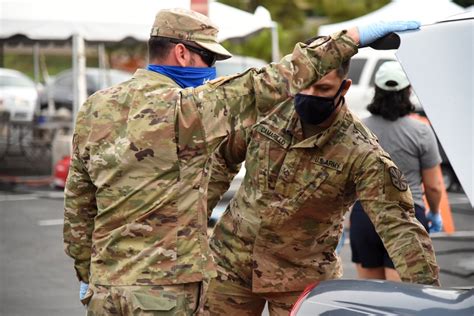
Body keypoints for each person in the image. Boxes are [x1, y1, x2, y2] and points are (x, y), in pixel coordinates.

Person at [62, 6, 419, 313]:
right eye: (210, 58)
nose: (211, 70)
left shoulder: (97, 105)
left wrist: (85, 272)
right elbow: (266, 84)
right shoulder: (188, 109)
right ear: (183, 55)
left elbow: (78, 204)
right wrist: (351, 36)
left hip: (106, 290)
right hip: (168, 291)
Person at [204, 41, 440, 315]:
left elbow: (399, 227)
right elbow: (220, 163)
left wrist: (431, 300)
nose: (310, 94)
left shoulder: (361, 151)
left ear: (344, 88)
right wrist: (193, 227)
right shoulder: (269, 113)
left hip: (301, 278)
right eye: (305, 84)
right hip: (231, 264)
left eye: (323, 89)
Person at [349, 60, 443, 282]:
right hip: (407, 217)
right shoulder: (421, 131)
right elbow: (433, 185)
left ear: (376, 92)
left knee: (372, 299)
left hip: (366, 215)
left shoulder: (359, 128)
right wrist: (435, 213)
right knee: (403, 299)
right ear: (408, 92)